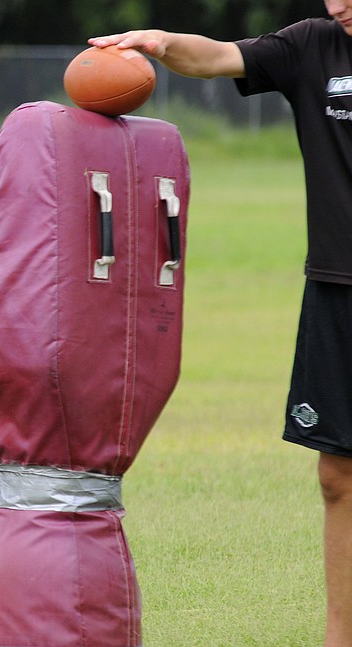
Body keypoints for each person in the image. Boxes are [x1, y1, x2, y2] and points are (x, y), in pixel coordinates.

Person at [90, 3, 352, 645]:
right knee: (337, 475)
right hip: (337, 289)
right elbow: (217, 56)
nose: (337, 4)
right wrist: (158, 42)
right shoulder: (315, 46)